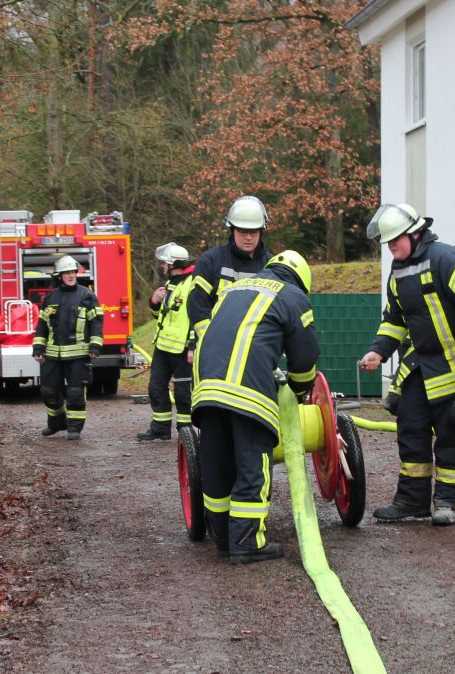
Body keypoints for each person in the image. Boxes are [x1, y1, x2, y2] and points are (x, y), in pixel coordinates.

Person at [359, 204, 455, 526]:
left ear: (415, 234)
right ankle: (412, 500)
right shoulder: (398, 273)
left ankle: (447, 502)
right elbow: (394, 320)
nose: (391, 247)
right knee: (410, 427)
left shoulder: (447, 260)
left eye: (395, 240)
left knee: (452, 431)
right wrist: (378, 352)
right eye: (387, 242)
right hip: (423, 365)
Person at [193, 250, 320, 564]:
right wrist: (299, 389)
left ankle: (224, 539)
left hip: (207, 391)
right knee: (252, 467)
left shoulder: (233, 290)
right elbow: (304, 357)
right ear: (301, 280)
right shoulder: (293, 296)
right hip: (248, 395)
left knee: (218, 466)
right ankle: (247, 543)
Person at [186, 195, 273, 356]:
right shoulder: (210, 261)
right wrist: (211, 339)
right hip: (215, 352)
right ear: (232, 230)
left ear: (261, 231)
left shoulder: (272, 266)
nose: (248, 237)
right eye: (242, 231)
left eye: (253, 232)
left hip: (257, 351)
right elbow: (197, 306)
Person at [33, 255, 104, 440]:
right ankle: (57, 422)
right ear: (60, 276)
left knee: (75, 392)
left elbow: (96, 322)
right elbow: (42, 325)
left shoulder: (87, 295)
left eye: (73, 272)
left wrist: (95, 345)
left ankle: (74, 427)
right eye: (67, 273)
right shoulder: (51, 297)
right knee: (48, 391)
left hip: (78, 354)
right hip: (53, 355)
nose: (71, 275)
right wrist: (38, 347)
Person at [137, 243, 197, 442]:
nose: (162, 266)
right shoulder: (171, 283)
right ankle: (160, 428)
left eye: (164, 263)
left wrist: (193, 346)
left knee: (183, 393)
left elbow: (198, 318)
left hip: (183, 350)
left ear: (174, 264)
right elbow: (161, 316)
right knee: (155, 387)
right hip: (163, 347)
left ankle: (185, 431)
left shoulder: (193, 284)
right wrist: (154, 301)